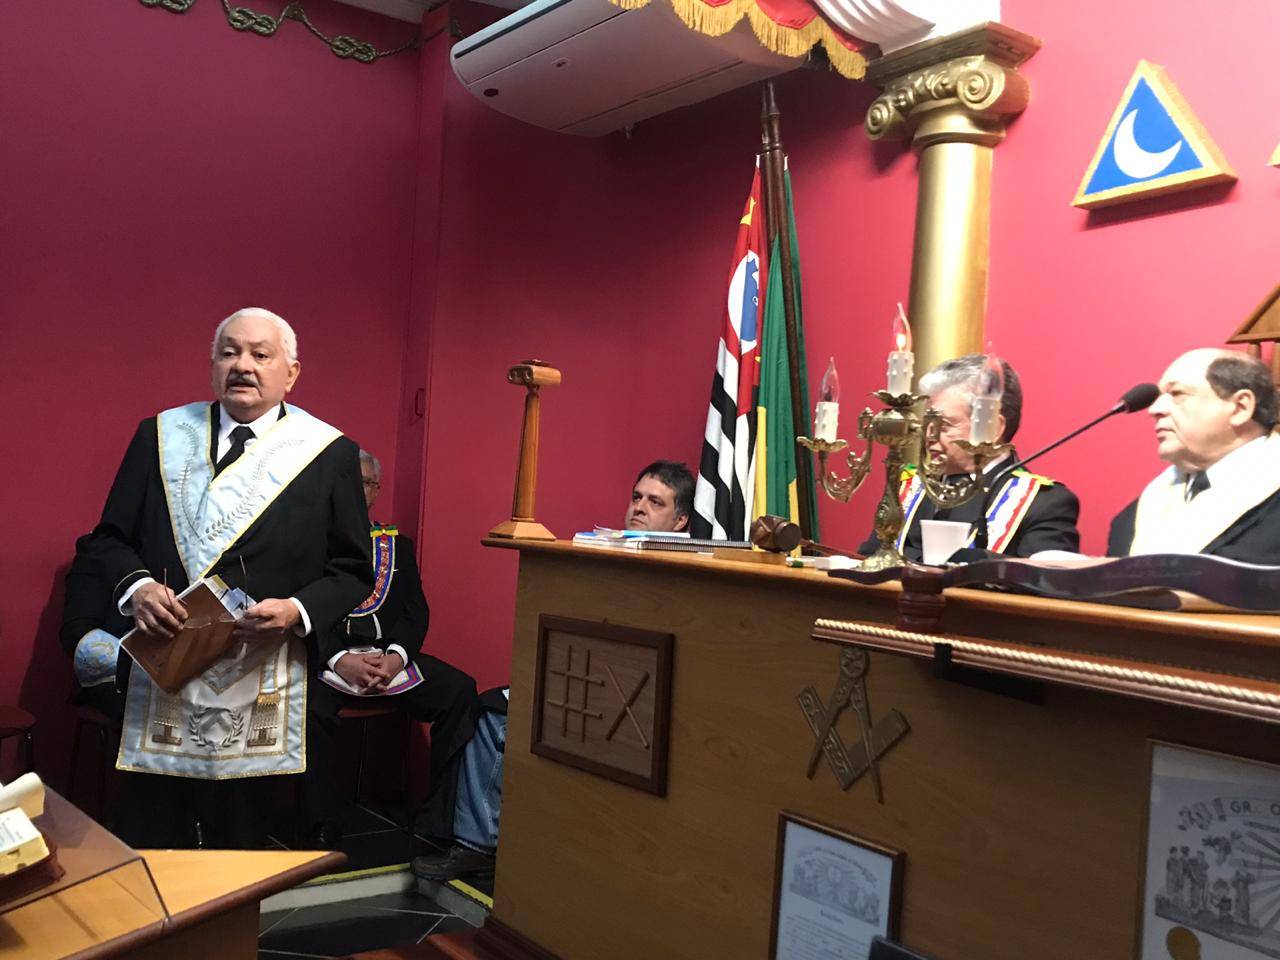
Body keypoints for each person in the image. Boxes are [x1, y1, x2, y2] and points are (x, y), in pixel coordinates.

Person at [82, 306, 373, 849]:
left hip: (261, 670)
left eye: (261, 355)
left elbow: (353, 570)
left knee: (239, 846)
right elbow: (107, 539)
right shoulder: (160, 436)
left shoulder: (328, 452)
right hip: (164, 665)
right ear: (213, 364)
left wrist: (296, 611)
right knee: (150, 838)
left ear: (291, 373)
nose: (243, 365)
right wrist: (137, 587)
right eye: (229, 352)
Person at [411, 460, 695, 881]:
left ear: (681, 520)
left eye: (656, 502)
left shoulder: (690, 570)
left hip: (640, 704)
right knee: (489, 710)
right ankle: (472, 842)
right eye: (637, 496)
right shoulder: (604, 550)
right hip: (587, 680)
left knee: (502, 721)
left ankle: (482, 845)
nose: (639, 507)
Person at [303, 449, 479, 846]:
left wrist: (397, 657)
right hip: (330, 661)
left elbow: (416, 611)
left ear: (376, 490)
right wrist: (340, 659)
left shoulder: (397, 546)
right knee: (306, 708)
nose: (357, 490)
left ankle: (438, 823)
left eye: (366, 483)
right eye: (350, 482)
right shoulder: (312, 545)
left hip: (389, 660)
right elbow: (305, 612)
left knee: (460, 692)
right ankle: (318, 827)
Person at [859, 355, 1080, 562]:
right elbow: (871, 558)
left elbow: (1041, 581)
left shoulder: (1042, 502)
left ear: (993, 427)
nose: (928, 436)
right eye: (928, 423)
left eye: (945, 425)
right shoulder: (910, 484)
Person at [1108, 349, 1280, 563]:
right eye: (1159, 397)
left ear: (1240, 408)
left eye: (1177, 394)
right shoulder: (1132, 518)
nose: (1155, 409)